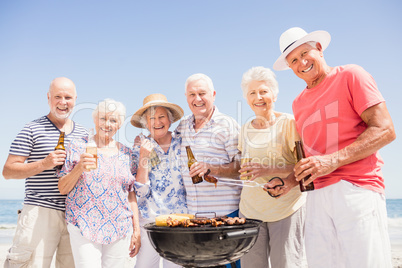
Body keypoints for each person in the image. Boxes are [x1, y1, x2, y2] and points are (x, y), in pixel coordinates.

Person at [272, 27, 396, 267]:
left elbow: (385, 130)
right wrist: (289, 181)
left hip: (356, 189)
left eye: (305, 53)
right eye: (294, 60)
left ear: (319, 48)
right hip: (316, 198)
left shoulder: (351, 75)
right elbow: (313, 156)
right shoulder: (297, 103)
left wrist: (332, 161)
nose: (302, 63)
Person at [2, 77, 87, 267]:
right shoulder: (32, 129)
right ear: (48, 97)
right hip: (40, 211)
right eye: (58, 96)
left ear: (75, 99)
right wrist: (43, 164)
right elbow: (8, 171)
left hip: (75, 215)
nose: (63, 102)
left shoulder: (84, 134)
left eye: (68, 97)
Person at [57, 98, 141, 268]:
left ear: (119, 125)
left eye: (113, 120)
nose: (107, 124)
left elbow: (131, 194)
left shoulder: (128, 154)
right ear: (95, 120)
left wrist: (136, 229)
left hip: (120, 226)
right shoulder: (77, 146)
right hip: (84, 225)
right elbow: (62, 188)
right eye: (103, 118)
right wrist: (79, 167)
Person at [238, 66, 307, 268]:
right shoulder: (245, 129)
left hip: (285, 210)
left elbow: (303, 166)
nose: (258, 97)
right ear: (247, 98)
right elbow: (244, 167)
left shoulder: (289, 123)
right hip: (250, 212)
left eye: (263, 91)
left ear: (274, 94)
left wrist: (267, 170)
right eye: (252, 93)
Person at [175, 73, 241, 268]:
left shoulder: (227, 125)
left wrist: (212, 169)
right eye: (192, 94)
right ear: (186, 97)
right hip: (194, 219)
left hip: (225, 216)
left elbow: (240, 167)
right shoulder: (182, 126)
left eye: (202, 93)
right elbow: (164, 143)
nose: (197, 99)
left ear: (213, 94)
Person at [130, 93, 187, 268]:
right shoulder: (139, 148)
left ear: (170, 120)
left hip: (179, 222)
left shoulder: (183, 143)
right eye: (151, 118)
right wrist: (143, 158)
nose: (157, 122)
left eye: (161, 117)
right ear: (145, 124)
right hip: (150, 221)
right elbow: (140, 191)